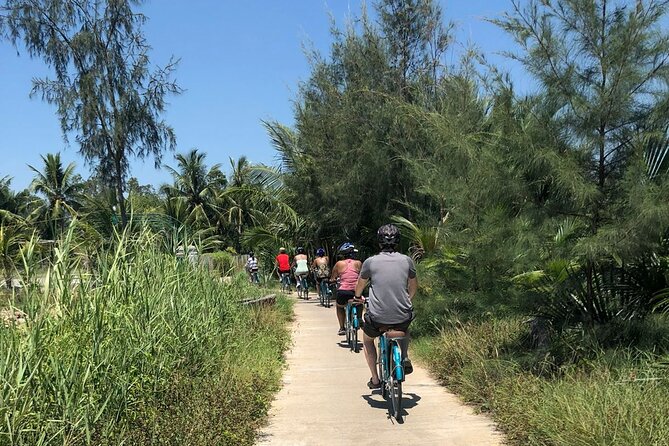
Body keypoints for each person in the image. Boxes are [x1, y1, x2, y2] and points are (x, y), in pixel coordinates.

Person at [354, 224, 417, 389]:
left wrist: (357, 297)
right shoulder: (407, 261)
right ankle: (403, 357)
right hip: (402, 315)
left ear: (379, 241)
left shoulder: (370, 262)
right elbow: (413, 286)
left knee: (367, 340)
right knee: (405, 325)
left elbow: (359, 286)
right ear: (398, 241)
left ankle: (375, 379)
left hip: (377, 318)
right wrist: (406, 300)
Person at [330, 242, 362, 335]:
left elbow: (333, 277)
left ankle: (342, 327)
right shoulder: (358, 263)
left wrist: (333, 280)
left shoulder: (339, 264)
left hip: (343, 291)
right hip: (356, 291)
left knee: (339, 307)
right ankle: (359, 319)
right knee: (359, 302)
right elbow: (362, 277)